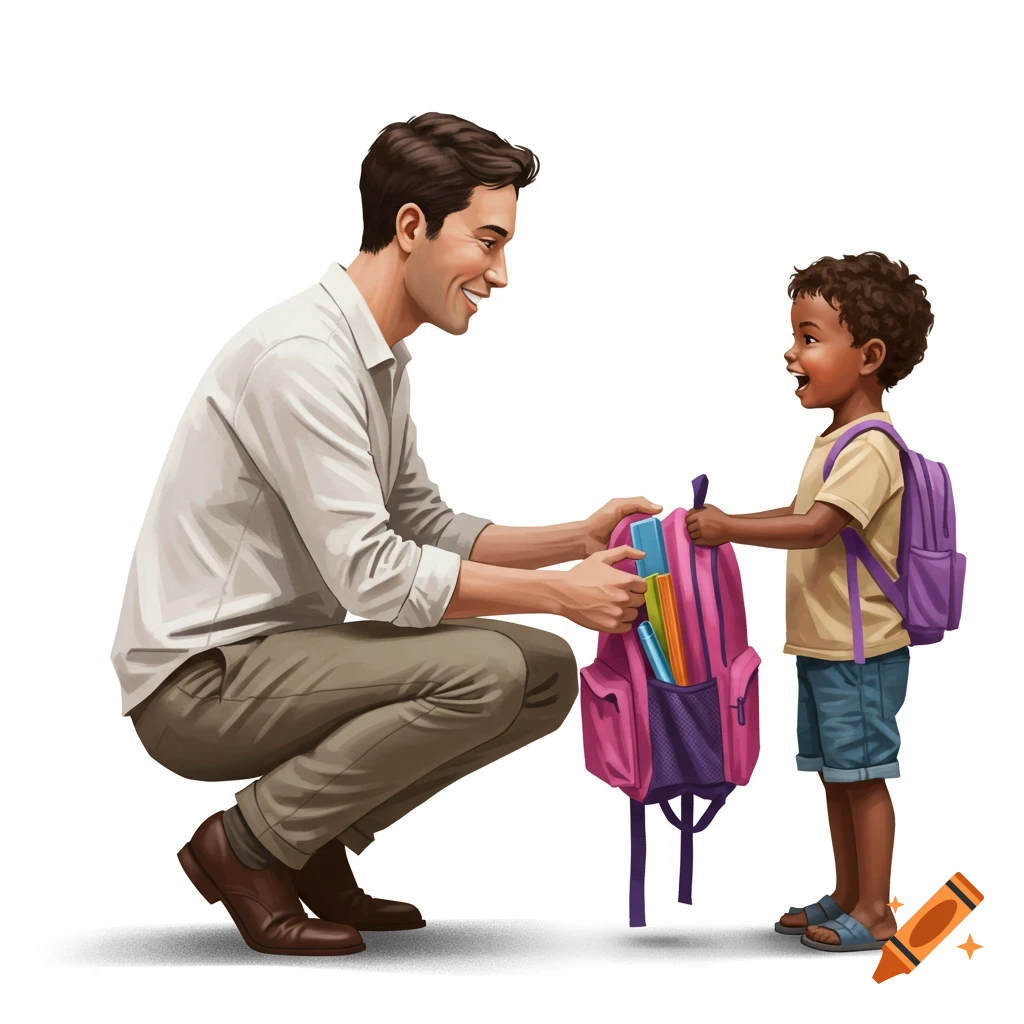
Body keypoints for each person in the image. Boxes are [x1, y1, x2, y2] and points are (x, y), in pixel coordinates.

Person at [111, 112, 658, 957]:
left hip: (278, 659)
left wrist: (573, 542)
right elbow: (374, 574)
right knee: (488, 670)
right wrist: (557, 595)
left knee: (544, 674)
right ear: (411, 226)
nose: (500, 274)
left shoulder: (376, 358)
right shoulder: (303, 357)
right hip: (201, 683)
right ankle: (248, 847)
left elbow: (419, 523)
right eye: (487, 242)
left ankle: (309, 839)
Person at [685, 252, 933, 952]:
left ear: (869, 356)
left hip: (860, 652)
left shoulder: (872, 447)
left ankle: (876, 910)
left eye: (810, 337)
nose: (791, 353)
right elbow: (803, 514)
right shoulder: (836, 441)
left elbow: (819, 526)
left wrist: (730, 529)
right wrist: (729, 523)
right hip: (827, 647)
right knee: (835, 776)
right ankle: (848, 894)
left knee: (863, 778)